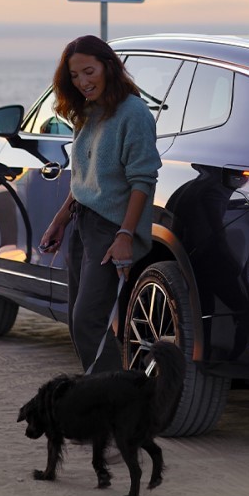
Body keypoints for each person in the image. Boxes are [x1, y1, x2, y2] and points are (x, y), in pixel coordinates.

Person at [39, 35, 161, 373]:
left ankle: (114, 397)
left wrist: (125, 234)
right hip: (83, 223)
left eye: (89, 71)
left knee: (88, 321)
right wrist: (60, 220)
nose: (82, 82)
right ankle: (104, 392)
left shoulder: (134, 113)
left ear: (108, 67)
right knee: (77, 321)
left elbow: (143, 180)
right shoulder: (88, 112)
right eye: (75, 76)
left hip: (110, 230)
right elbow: (83, 176)